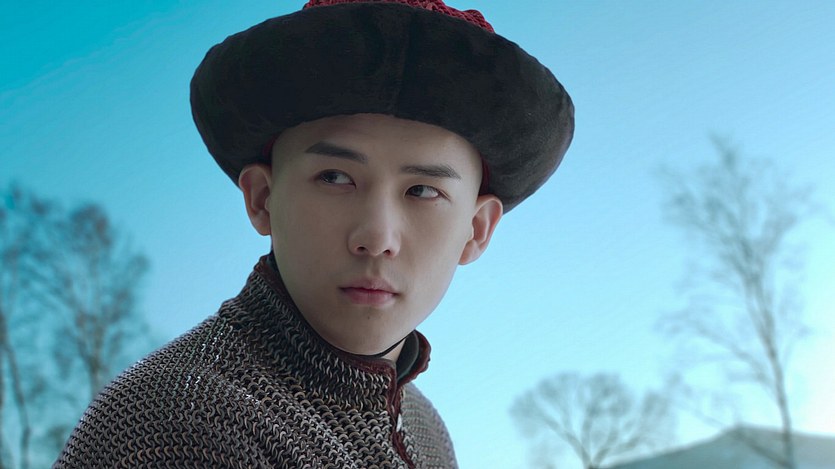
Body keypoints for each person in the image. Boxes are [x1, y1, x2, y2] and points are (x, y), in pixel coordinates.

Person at [54, 0, 573, 467]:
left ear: (476, 230)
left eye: (422, 191)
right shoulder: (182, 422)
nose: (377, 237)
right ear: (263, 199)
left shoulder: (424, 428)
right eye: (335, 178)